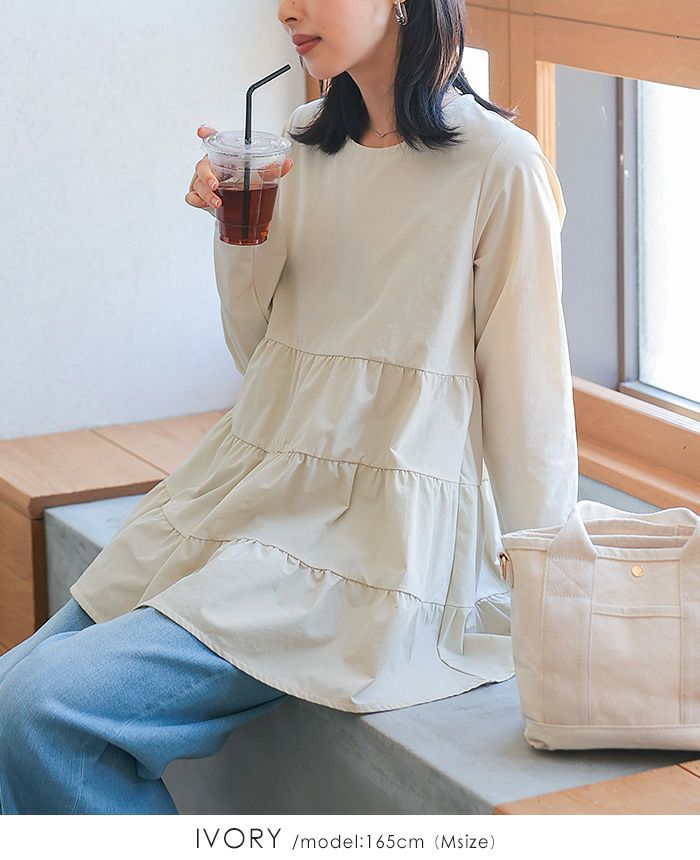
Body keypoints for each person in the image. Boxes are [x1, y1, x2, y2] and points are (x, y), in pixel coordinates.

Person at [0, 0, 579, 814]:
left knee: (41, 708)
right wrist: (233, 229)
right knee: (11, 694)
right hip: (253, 491)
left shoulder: (499, 167)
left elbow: (531, 403)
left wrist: (554, 593)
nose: (286, 9)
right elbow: (259, 352)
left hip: (373, 540)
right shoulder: (301, 141)